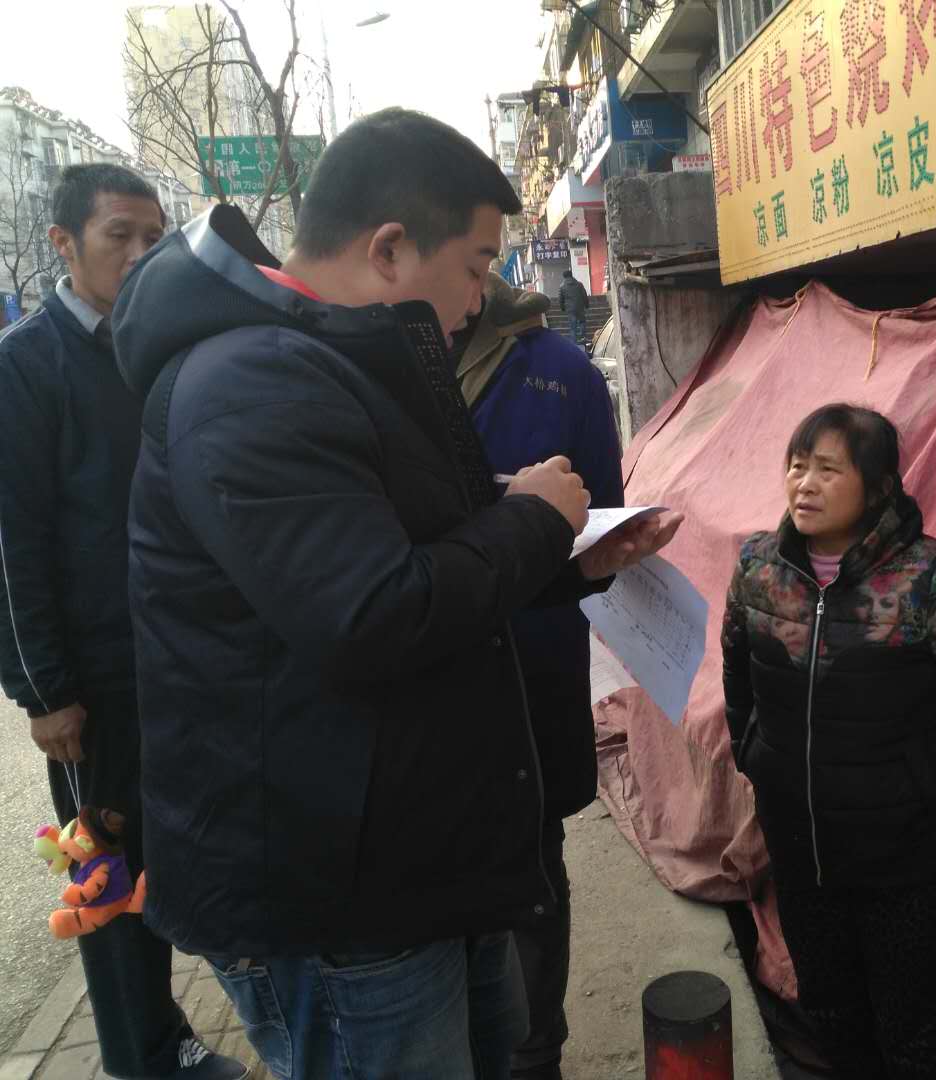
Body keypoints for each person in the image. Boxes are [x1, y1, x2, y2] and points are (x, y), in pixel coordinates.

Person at [111, 109, 681, 1080]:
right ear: (388, 249)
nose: (482, 294)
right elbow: (370, 613)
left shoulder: (326, 363)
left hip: (407, 858)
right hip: (334, 903)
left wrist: (566, 559)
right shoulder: (251, 382)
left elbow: (407, 544)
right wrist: (532, 521)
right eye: (475, 264)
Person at [0, 164, 248, 1080]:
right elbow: (12, 543)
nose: (142, 254)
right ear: (64, 244)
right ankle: (141, 1053)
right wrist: (44, 692)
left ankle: (170, 1031)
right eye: (120, 236)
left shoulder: (155, 348)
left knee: (179, 846)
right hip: (92, 684)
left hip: (172, 656)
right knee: (105, 872)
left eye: (154, 236)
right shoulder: (26, 366)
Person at [720, 404, 936, 1080]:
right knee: (831, 1014)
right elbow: (737, 669)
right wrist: (755, 754)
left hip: (906, 857)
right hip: (801, 848)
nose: (804, 483)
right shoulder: (760, 569)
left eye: (828, 470)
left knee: (908, 1030)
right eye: (797, 466)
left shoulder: (932, 582)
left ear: (879, 487)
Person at [453, 272, 625, 1080]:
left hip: (532, 651)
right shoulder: (370, 361)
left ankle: (534, 1052)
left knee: (531, 858)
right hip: (435, 658)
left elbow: (602, 524)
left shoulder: (563, 369)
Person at [557, 270, 589, 351]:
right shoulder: (579, 284)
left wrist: (562, 308)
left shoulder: (562, 286)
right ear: (571, 275)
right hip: (580, 307)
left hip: (570, 309)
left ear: (564, 277)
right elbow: (584, 295)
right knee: (582, 322)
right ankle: (583, 337)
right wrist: (586, 305)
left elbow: (560, 299)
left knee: (573, 327)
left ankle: (574, 343)